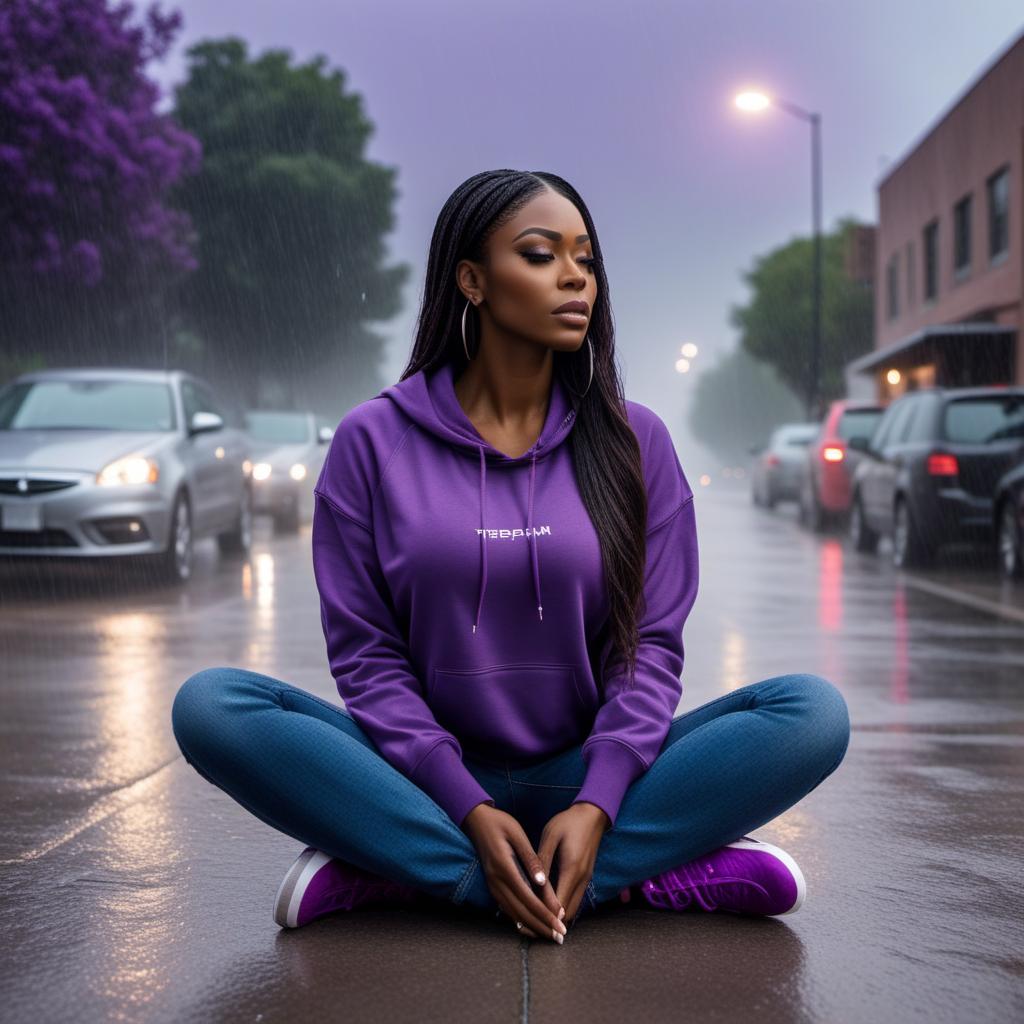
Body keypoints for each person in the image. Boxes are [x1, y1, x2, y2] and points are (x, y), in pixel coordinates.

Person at [171, 169, 851, 944]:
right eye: (540, 254)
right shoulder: (372, 441)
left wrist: (596, 802)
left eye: (586, 260)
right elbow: (367, 660)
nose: (574, 278)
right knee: (212, 704)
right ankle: (589, 877)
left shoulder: (636, 444)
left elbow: (648, 650)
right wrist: (466, 804)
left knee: (811, 713)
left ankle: (415, 873)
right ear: (472, 280)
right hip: (422, 778)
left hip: (589, 770)